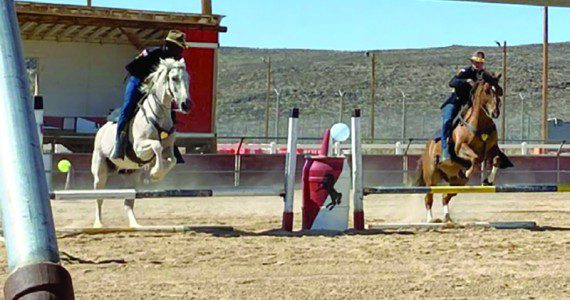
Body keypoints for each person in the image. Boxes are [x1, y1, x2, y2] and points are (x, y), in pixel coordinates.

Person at [111, 30, 188, 161]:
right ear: (170, 45)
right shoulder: (152, 53)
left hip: (157, 89)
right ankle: (119, 144)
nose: (181, 52)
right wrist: (146, 80)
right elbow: (133, 68)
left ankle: (171, 146)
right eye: (179, 48)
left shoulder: (177, 59)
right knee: (128, 108)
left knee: (169, 111)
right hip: (138, 82)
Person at [440, 50, 486, 162]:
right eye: (475, 62)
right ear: (472, 62)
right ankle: (445, 151)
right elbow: (452, 82)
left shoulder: (484, 75)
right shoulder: (465, 71)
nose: (477, 64)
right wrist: (466, 81)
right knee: (447, 120)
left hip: (470, 105)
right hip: (456, 101)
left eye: (480, 62)